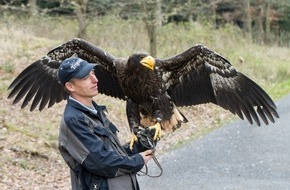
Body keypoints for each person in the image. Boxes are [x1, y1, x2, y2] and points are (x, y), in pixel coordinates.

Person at [57, 56, 154, 190]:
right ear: (70, 86)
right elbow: (101, 163)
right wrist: (137, 160)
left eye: (93, 73)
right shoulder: (74, 120)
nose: (95, 80)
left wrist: (139, 146)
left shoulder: (94, 112)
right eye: (85, 78)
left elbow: (112, 154)